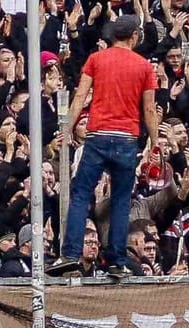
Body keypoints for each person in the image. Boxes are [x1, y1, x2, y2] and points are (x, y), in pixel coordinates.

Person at [50, 15, 157, 279]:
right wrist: (155, 142)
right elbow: (149, 108)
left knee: (81, 195)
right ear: (134, 36)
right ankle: (116, 261)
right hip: (127, 139)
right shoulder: (144, 66)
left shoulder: (96, 60)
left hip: (97, 136)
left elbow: (79, 97)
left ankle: (70, 255)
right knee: (121, 201)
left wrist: (65, 130)